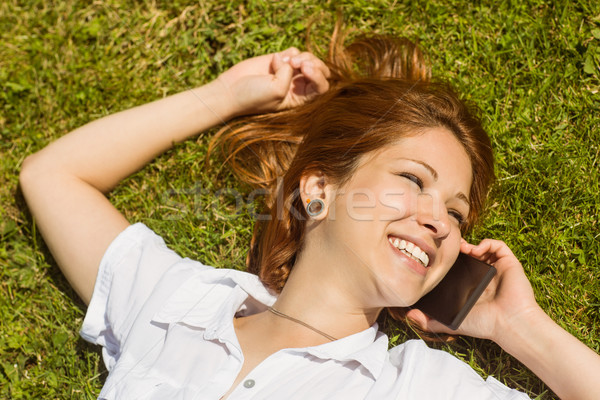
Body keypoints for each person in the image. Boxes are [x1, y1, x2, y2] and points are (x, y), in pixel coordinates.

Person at [19, 30, 600, 399]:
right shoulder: (183, 305)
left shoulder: (417, 386)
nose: (441, 222)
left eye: (455, 212)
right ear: (319, 189)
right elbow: (52, 176)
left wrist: (519, 327)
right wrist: (223, 97)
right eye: (413, 179)